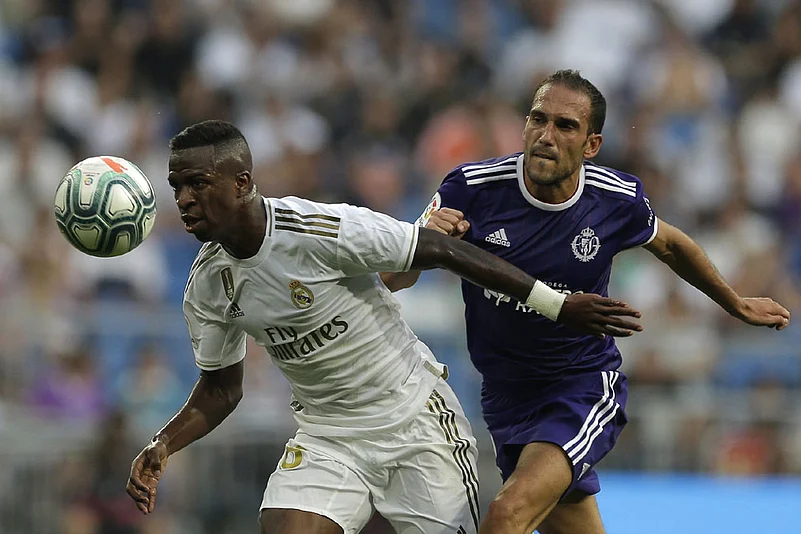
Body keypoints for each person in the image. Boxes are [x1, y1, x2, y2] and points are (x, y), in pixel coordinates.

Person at [124, 119, 644, 534]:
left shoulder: (321, 229)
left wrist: (555, 304)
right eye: (177, 187)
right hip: (329, 435)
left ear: (241, 183)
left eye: (197, 183)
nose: (183, 199)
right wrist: (163, 443)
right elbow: (221, 388)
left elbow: (438, 248)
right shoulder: (208, 285)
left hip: (415, 420)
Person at [381, 69, 792, 534]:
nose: (546, 136)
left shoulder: (614, 199)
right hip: (504, 396)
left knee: (507, 514)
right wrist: (427, 242)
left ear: (591, 144)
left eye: (565, 126)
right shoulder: (470, 187)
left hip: (580, 386)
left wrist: (734, 302)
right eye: (538, 119)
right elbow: (393, 278)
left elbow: (671, 245)